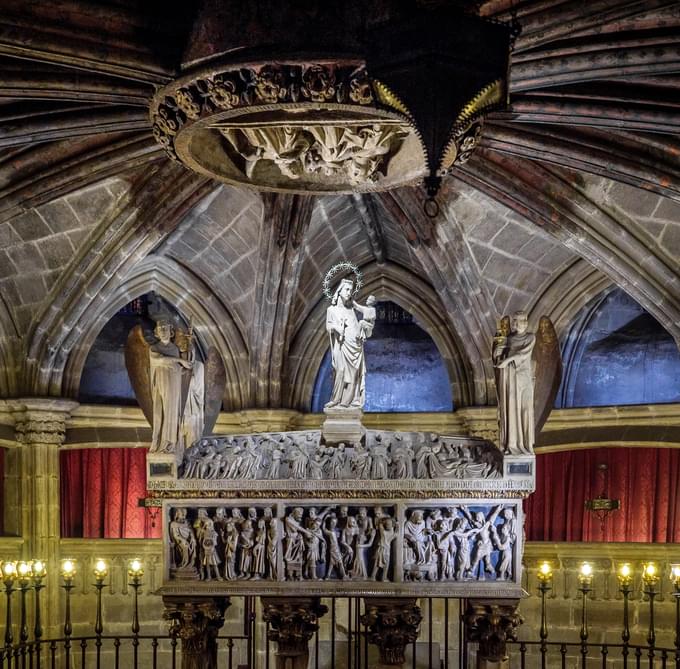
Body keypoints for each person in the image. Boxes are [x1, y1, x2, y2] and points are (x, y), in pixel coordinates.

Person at [493, 311, 536, 455]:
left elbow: (522, 354)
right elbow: (499, 355)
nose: (517, 323)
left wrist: (506, 361)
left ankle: (525, 444)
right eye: (515, 321)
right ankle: (511, 444)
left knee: (524, 409)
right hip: (509, 377)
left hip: (523, 377)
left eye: (520, 320)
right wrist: (498, 352)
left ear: (526, 321)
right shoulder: (509, 338)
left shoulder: (530, 337)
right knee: (511, 408)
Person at [149, 321, 192, 454]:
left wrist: (188, 359)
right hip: (161, 382)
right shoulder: (154, 348)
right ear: (156, 332)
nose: (163, 331)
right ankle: (159, 442)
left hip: (174, 382)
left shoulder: (174, 349)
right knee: (160, 412)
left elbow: (182, 369)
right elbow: (160, 360)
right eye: (160, 328)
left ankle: (170, 443)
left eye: (165, 328)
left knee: (172, 411)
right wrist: (179, 360)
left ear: (171, 331)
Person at [325, 278, 369, 409]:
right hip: (341, 345)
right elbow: (328, 325)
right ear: (339, 291)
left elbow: (356, 326)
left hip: (355, 347)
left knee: (355, 374)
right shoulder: (331, 310)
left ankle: (349, 402)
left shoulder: (351, 310)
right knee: (341, 370)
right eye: (347, 289)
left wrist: (362, 334)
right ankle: (336, 399)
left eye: (351, 290)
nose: (349, 292)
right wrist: (336, 328)